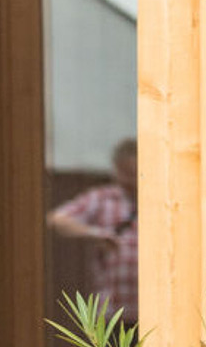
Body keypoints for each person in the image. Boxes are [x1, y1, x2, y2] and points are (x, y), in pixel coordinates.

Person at [46, 138, 138, 323]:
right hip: (112, 312)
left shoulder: (160, 202)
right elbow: (56, 220)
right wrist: (94, 234)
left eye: (134, 172)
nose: (130, 179)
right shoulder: (102, 199)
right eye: (126, 172)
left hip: (150, 312)